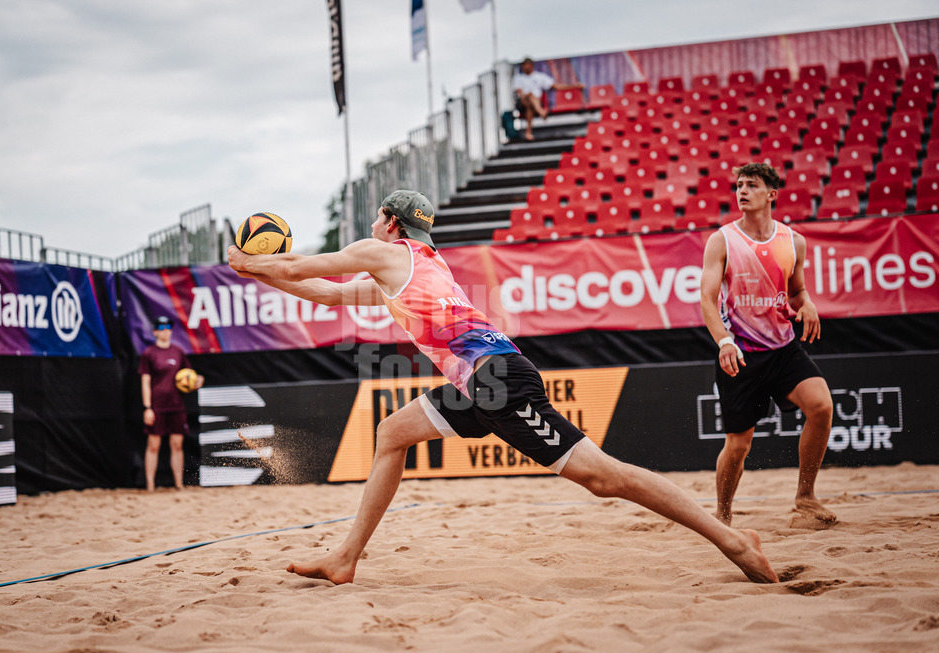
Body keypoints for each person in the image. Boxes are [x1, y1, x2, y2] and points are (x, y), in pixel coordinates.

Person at [227, 189, 778, 585]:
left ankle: (731, 539)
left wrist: (250, 262)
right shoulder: (418, 265)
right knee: (392, 433)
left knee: (603, 478)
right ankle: (346, 558)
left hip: (498, 381)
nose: (372, 224)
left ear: (392, 224)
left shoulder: (385, 253)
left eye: (377, 217)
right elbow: (325, 293)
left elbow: (303, 268)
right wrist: (259, 271)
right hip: (478, 384)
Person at [699, 163, 837, 528]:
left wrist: (807, 303)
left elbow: (797, 290)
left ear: (771, 194)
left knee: (821, 406)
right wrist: (724, 342)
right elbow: (707, 301)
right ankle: (723, 515)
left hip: (783, 347)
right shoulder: (722, 240)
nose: (742, 191)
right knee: (738, 445)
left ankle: (805, 496)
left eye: (752, 185)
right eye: (739, 185)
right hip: (740, 353)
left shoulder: (792, 241)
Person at [138, 315, 203, 492]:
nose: (165, 331)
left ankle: (178, 484)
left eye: (168, 327)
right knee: (154, 445)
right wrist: (147, 408)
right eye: (161, 328)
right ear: (155, 332)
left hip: (176, 405)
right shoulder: (149, 353)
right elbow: (145, 383)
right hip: (157, 406)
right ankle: (150, 485)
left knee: (177, 444)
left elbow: (190, 377)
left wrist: (198, 381)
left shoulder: (178, 351)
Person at [512, 57, 583, 141]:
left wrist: (574, 86)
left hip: (534, 103)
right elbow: (519, 92)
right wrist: (529, 95)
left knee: (530, 106)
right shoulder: (518, 78)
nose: (525, 67)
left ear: (531, 65)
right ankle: (541, 111)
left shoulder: (539, 76)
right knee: (530, 96)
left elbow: (555, 86)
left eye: (527, 65)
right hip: (523, 102)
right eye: (524, 65)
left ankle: (529, 132)